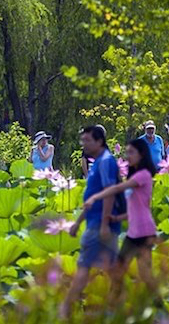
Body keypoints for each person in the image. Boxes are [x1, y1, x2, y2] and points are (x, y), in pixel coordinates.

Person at [83, 139, 159, 305]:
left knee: (143, 273)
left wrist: (96, 196)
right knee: (123, 270)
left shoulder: (143, 175)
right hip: (135, 232)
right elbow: (137, 207)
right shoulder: (136, 175)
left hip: (144, 233)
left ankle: (159, 306)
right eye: (127, 152)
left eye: (131, 152)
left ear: (141, 154)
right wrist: (118, 218)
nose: (128, 156)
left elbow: (118, 189)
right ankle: (113, 306)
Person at [60, 125, 125, 319]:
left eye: (87, 140)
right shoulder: (96, 162)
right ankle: (119, 308)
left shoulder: (105, 161)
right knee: (113, 268)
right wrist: (78, 222)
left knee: (84, 266)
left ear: (99, 141)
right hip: (95, 223)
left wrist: (104, 224)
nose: (83, 144)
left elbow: (110, 194)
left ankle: (65, 310)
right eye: (83, 140)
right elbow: (92, 197)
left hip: (100, 225)